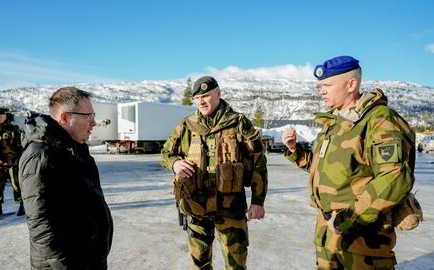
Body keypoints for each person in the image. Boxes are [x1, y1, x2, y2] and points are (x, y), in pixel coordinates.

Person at [282, 56, 416, 270]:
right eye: (320, 86)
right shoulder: (335, 123)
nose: (321, 91)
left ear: (351, 84)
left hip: (361, 244)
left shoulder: (378, 120)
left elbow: (394, 177)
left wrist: (349, 217)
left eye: (327, 85)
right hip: (329, 239)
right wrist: (294, 151)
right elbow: (326, 171)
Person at [162, 76, 268, 270]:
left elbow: (258, 162)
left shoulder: (238, 123)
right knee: (199, 263)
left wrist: (258, 201)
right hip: (196, 206)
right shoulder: (186, 126)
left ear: (218, 94)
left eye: (206, 96)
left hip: (231, 208)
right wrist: (175, 163)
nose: (201, 101)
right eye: (197, 98)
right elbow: (166, 153)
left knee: (236, 264)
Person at [19, 87, 113, 269]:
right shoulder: (41, 154)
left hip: (87, 258)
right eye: (88, 116)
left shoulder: (74, 148)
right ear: (64, 118)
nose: (93, 123)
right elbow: (41, 225)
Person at [0, 108, 24, 217]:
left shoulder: (13, 129)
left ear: (5, 117)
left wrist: (20, 160)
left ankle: (22, 205)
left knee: (17, 185)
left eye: (1, 116)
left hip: (12, 163)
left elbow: (19, 146)